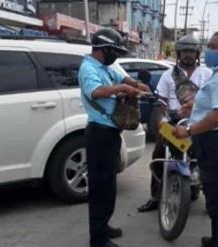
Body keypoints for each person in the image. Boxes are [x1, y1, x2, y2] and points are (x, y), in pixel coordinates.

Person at [173, 31, 218, 247]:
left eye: (213, 46)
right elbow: (214, 103)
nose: (208, 50)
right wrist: (193, 105)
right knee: (217, 197)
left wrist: (189, 131)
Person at [78, 28, 150, 247]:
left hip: (111, 133)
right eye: (114, 51)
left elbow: (124, 77)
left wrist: (137, 85)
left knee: (109, 185)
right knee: (100, 188)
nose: (116, 55)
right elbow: (96, 92)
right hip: (99, 134)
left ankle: (104, 226)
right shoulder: (88, 68)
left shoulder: (107, 67)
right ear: (103, 49)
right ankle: (98, 240)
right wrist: (123, 88)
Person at [137, 34, 212, 213]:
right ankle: (155, 197)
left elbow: (212, 99)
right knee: (158, 157)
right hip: (173, 121)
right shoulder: (168, 75)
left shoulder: (208, 74)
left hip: (199, 124)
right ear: (178, 53)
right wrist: (165, 117)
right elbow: (162, 100)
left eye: (191, 51)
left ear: (197, 53)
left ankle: (207, 198)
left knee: (207, 160)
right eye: (184, 51)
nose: (188, 55)